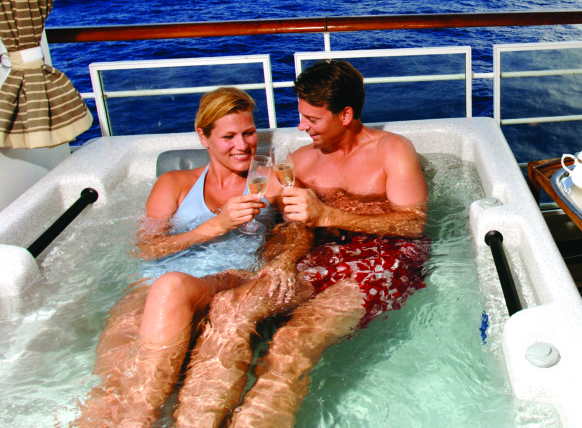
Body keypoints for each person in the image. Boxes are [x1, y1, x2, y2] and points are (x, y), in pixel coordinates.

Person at [174, 60, 430, 428]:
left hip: (384, 257)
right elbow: (284, 220)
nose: (301, 126)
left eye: (312, 119)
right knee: (230, 308)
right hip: (320, 254)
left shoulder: (392, 150)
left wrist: (328, 216)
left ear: (345, 115)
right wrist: (284, 259)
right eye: (300, 116)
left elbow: (413, 223)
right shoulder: (299, 162)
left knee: (294, 337)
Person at [74, 87, 311, 428]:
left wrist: (282, 261)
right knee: (116, 381)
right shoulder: (174, 183)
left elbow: (300, 232)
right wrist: (217, 225)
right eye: (228, 136)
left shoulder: (270, 181)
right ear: (204, 136)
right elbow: (147, 248)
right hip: (153, 284)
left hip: (225, 280)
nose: (242, 146)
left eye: (248, 133)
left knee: (170, 287)